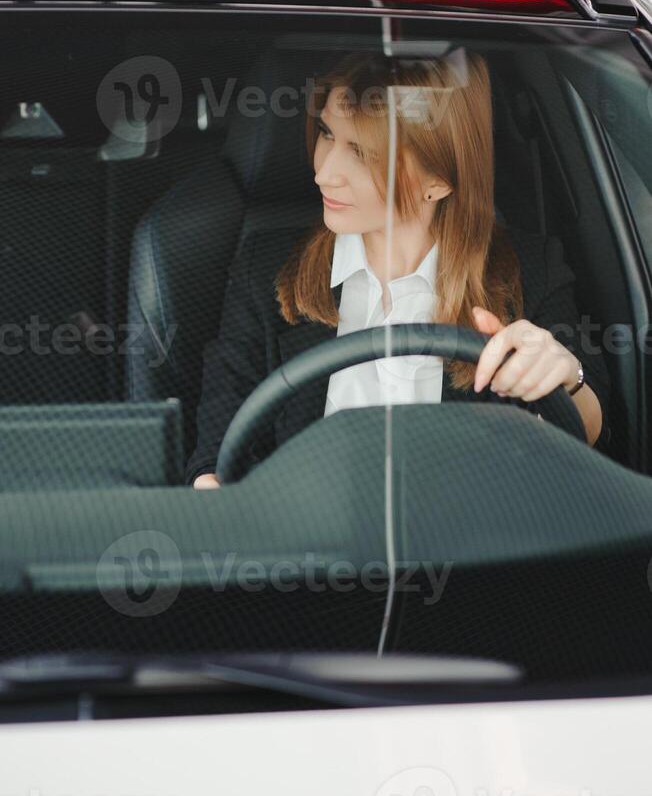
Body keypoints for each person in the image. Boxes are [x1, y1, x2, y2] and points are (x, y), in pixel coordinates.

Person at [187, 50, 610, 489]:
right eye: (328, 133)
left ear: (438, 181)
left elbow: (592, 436)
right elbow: (218, 449)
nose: (324, 173)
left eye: (362, 153)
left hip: (469, 547)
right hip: (307, 545)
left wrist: (563, 377)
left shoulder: (528, 270)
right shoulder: (265, 269)